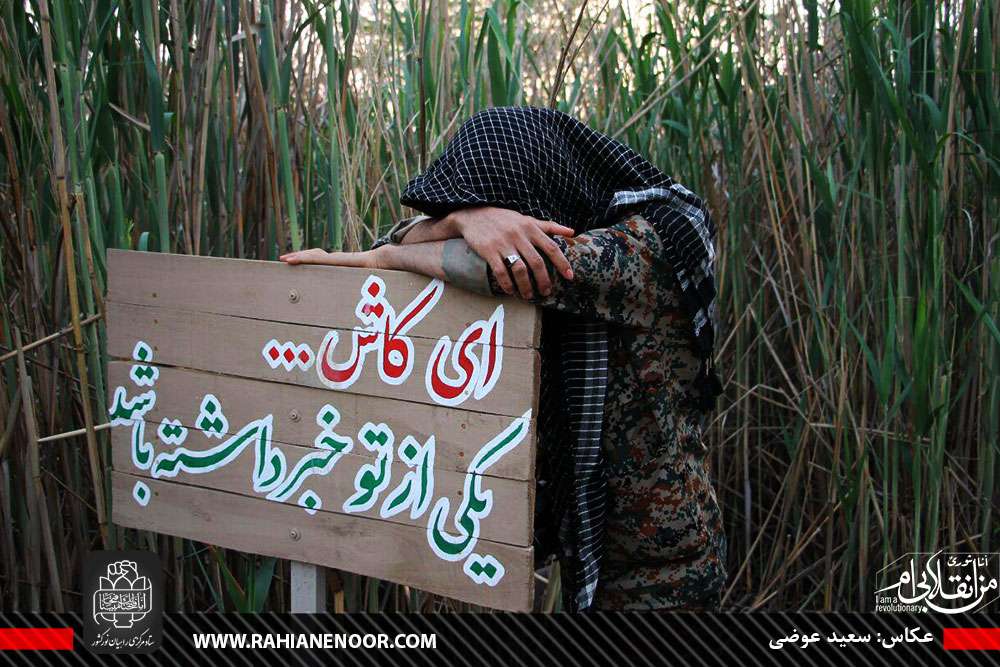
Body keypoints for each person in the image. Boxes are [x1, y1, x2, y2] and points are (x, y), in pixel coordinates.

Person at [281, 107, 726, 611]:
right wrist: (464, 218)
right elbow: (421, 239)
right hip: (590, 544)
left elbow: (509, 266)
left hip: (667, 565)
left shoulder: (660, 239)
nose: (490, 237)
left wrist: (385, 258)